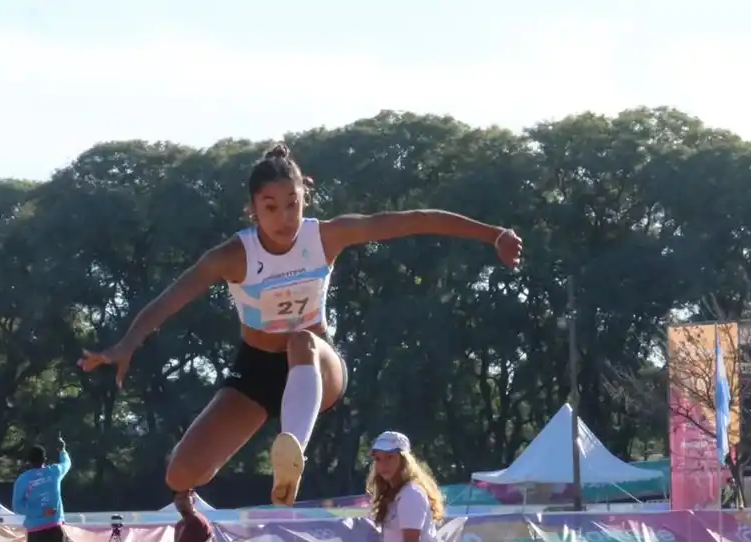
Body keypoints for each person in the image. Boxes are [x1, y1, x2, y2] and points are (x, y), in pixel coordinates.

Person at [79, 144, 522, 506]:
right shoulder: (232, 256)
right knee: (180, 473)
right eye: (271, 207)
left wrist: (493, 234)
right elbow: (169, 300)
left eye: (293, 204)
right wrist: (127, 344)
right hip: (256, 370)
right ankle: (215, 494)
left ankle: (292, 451)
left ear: (305, 196)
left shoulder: (325, 236)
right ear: (252, 209)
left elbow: (413, 221)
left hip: (317, 365)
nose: (284, 217)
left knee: (300, 340)